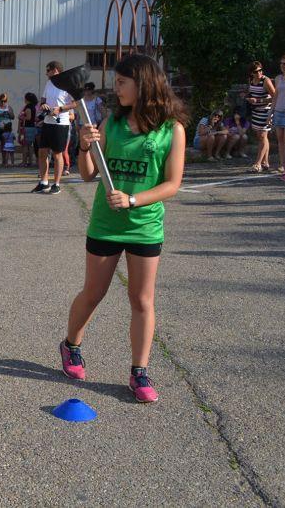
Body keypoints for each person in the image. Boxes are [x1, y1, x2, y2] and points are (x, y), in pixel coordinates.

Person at [60, 54, 187, 404]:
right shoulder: (110, 123)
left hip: (145, 227)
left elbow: (172, 184)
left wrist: (133, 200)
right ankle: (71, 345)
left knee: (142, 299)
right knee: (93, 293)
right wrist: (85, 144)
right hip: (105, 224)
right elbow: (87, 174)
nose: (116, 89)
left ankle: (139, 372)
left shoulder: (171, 129)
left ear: (143, 84)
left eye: (121, 83)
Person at [32, 60, 77, 195]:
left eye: (48, 71)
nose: (46, 74)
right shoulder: (49, 83)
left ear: (56, 70)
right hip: (47, 122)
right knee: (42, 152)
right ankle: (43, 182)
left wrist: (61, 109)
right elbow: (43, 100)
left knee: (57, 154)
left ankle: (56, 184)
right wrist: (43, 105)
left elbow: (75, 103)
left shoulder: (68, 84)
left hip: (61, 123)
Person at [246, 61, 275, 173]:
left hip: (265, 111)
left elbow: (274, 96)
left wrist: (259, 100)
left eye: (260, 70)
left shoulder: (265, 80)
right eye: (256, 71)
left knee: (263, 136)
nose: (259, 73)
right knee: (261, 137)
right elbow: (252, 93)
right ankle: (265, 162)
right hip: (256, 111)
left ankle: (257, 163)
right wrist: (248, 98)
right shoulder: (251, 81)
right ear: (251, 73)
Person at [20, 92, 39, 168]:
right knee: (30, 146)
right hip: (32, 127)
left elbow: (29, 118)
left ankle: (24, 162)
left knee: (25, 145)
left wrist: (21, 117)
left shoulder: (28, 107)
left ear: (27, 99)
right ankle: (30, 162)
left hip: (27, 128)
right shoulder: (33, 107)